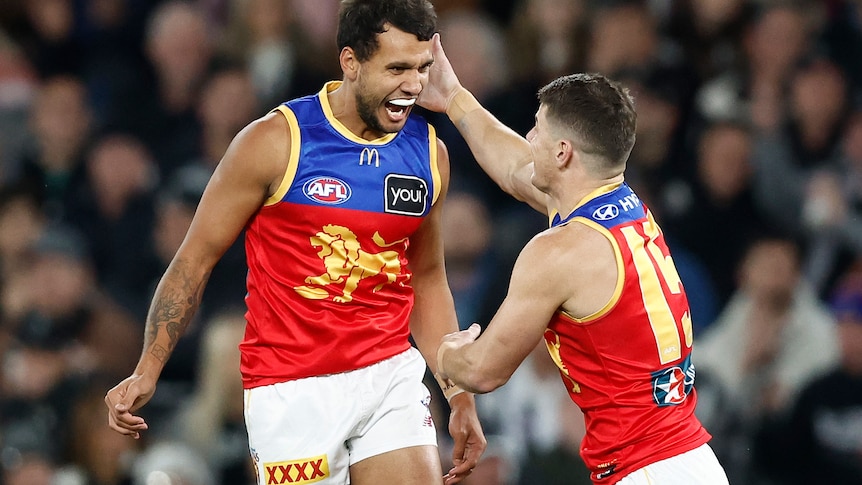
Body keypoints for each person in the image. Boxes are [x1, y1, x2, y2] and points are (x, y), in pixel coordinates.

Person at [104, 1, 486, 484]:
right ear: (350, 62)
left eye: (422, 68)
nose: (413, 85)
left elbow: (428, 281)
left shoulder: (429, 154)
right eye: (397, 68)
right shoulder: (275, 142)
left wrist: (459, 396)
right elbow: (193, 261)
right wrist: (147, 369)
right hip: (292, 388)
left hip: (390, 374)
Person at [421, 35, 729, 484]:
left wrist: (444, 354)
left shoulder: (559, 252)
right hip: (689, 460)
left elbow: (483, 370)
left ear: (563, 152)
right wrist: (453, 98)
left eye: (537, 130)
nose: (529, 138)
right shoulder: (626, 207)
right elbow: (514, 169)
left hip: (646, 471)